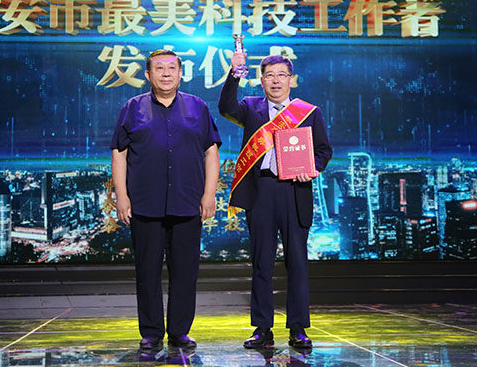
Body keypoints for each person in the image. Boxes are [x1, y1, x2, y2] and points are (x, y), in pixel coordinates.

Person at [219, 53, 332, 349]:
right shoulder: (251, 107)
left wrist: (313, 168)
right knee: (261, 263)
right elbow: (226, 107)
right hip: (262, 191)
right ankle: (262, 328)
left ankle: (298, 328)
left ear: (291, 80)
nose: (276, 81)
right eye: (270, 75)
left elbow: (323, 150)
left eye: (282, 75)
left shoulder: (308, 112)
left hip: (295, 191)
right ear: (262, 80)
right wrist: (235, 73)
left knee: (297, 263)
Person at [111, 49, 221, 352]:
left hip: (187, 202)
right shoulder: (132, 108)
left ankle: (180, 331)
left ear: (181, 73)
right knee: (147, 272)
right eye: (159, 68)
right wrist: (122, 196)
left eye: (172, 68)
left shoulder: (198, 107)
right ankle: (150, 332)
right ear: (148, 75)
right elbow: (119, 154)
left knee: (185, 272)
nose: (166, 73)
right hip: (145, 203)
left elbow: (211, 152)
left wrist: (209, 193)